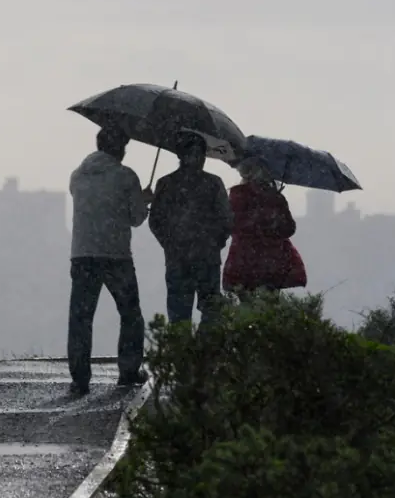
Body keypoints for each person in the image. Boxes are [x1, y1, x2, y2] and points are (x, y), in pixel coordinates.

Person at [67, 126, 153, 396]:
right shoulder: (125, 176)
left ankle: (80, 379)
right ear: (120, 148)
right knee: (130, 314)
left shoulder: (78, 175)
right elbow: (136, 218)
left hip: (82, 253)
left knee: (81, 317)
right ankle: (128, 372)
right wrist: (144, 200)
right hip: (115, 255)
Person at [149, 132, 233, 328]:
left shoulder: (166, 184)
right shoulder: (212, 183)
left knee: (181, 313)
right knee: (210, 311)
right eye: (196, 154)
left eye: (200, 154)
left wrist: (170, 244)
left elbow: (156, 222)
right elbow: (226, 220)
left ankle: (183, 354)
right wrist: (215, 243)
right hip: (205, 257)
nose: (199, 159)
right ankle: (204, 353)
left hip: (181, 258)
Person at [222, 156, 307, 297]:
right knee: (269, 305)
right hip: (271, 263)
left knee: (246, 306)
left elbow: (231, 225)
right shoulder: (274, 198)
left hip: (243, 261)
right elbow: (289, 228)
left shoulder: (237, 197)